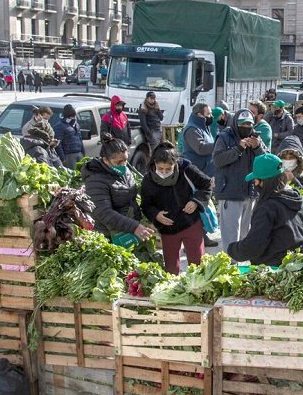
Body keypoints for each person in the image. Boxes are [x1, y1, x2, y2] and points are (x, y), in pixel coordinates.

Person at [141, 142, 213, 274]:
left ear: (175, 163)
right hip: (167, 229)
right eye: (160, 169)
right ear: (154, 163)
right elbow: (146, 205)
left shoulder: (186, 169)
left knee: (198, 266)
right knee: (171, 268)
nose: (164, 172)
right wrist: (156, 215)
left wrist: (196, 201)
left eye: (168, 169)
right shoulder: (148, 179)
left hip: (191, 224)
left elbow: (207, 184)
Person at [227, 154, 303, 266]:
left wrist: (232, 249)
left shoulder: (267, 208)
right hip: (299, 262)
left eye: (255, 180)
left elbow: (253, 247)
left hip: (275, 268)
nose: (255, 183)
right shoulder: (297, 198)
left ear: (263, 181)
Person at [81, 135, 154, 242]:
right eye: (119, 162)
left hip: (128, 229)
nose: (123, 164)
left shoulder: (125, 170)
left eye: (125, 160)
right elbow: (104, 212)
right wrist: (134, 226)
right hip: (110, 234)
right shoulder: (95, 180)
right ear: (106, 160)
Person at [213, 109, 266, 251]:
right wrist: (238, 149)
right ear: (236, 123)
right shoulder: (225, 137)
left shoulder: (255, 138)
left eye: (249, 124)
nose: (246, 127)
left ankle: (241, 261)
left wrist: (257, 147)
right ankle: (230, 262)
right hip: (230, 192)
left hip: (250, 192)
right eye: (243, 124)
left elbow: (267, 161)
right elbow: (217, 160)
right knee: (231, 236)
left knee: (245, 234)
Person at [278, 135, 303, 202]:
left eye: (291, 158)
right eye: (284, 158)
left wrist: (293, 181)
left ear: (298, 160)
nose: (288, 160)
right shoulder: (276, 175)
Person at [182, 103, 216, 177]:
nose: (211, 116)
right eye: (208, 114)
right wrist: (218, 144)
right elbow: (200, 148)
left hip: (206, 171)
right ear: (200, 115)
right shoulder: (192, 129)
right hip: (197, 173)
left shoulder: (204, 127)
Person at [53, 104, 86, 169]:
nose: (73, 118)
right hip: (69, 155)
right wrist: (63, 158)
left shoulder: (76, 125)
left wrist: (83, 153)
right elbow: (58, 144)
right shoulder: (59, 126)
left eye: (74, 116)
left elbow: (80, 139)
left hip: (79, 153)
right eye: (71, 116)